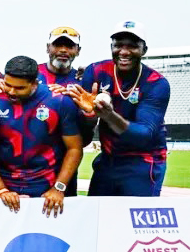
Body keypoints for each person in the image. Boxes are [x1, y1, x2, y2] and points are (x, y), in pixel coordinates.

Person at [66, 20, 170, 196]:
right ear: (111, 47)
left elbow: (144, 134)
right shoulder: (97, 71)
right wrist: (89, 115)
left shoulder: (155, 83)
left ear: (144, 50)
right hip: (109, 159)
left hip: (144, 161)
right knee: (98, 211)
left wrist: (109, 116)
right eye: (118, 45)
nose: (124, 51)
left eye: (132, 46)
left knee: (133, 213)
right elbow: (84, 129)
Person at [0, 55, 83, 217]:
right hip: (4, 185)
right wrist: (0, 189)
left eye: (20, 88)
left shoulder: (59, 101)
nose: (12, 92)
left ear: (35, 83)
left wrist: (58, 188)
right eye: (8, 85)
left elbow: (75, 149)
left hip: (45, 187)